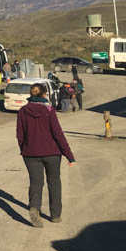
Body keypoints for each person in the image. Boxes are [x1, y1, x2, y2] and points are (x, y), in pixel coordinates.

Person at [16, 83, 75, 228]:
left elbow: (20, 135)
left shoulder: (22, 111)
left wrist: (25, 149)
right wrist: (69, 155)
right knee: (54, 182)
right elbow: (58, 134)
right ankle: (55, 215)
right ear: (44, 94)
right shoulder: (49, 110)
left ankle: (34, 208)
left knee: (36, 183)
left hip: (30, 153)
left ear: (31, 94)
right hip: (52, 153)